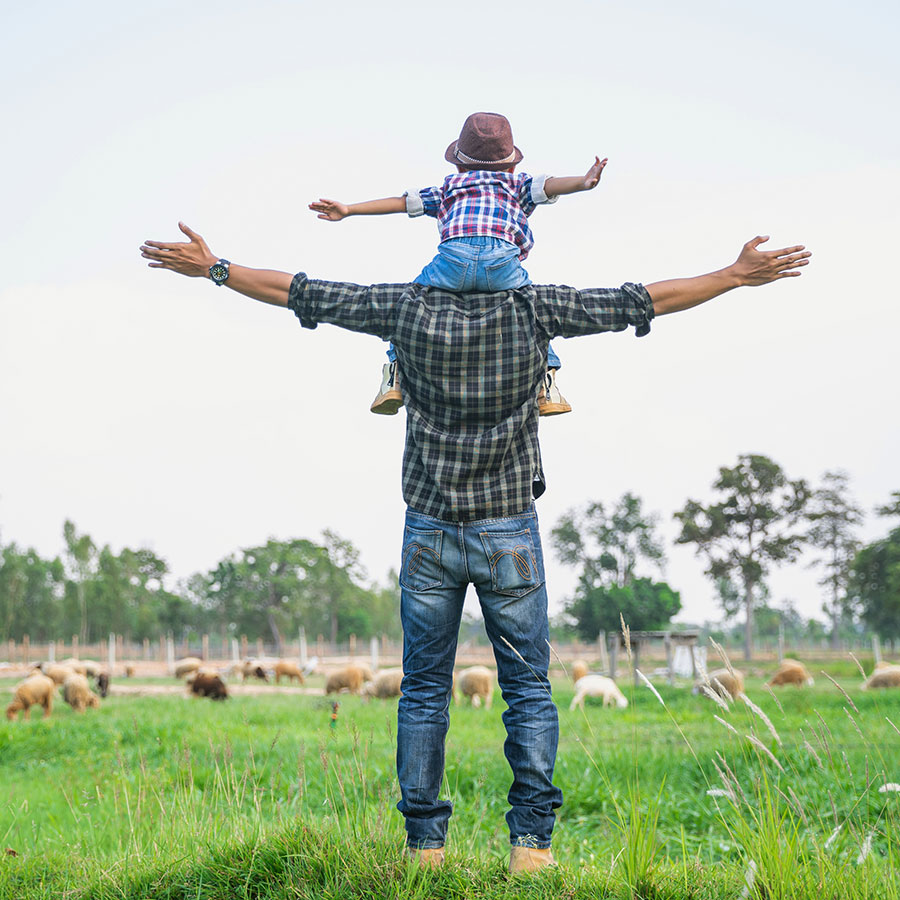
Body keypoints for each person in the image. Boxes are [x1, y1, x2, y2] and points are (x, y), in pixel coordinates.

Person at [140, 224, 809, 873]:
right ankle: (532, 850)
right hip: (508, 530)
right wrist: (733, 275)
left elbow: (304, 292)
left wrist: (217, 268)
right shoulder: (535, 308)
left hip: (430, 528)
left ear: (444, 242)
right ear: (511, 243)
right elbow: (642, 300)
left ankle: (425, 853)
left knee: (424, 695)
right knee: (529, 694)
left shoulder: (403, 307)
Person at [309, 112, 607, 416]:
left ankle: (395, 374)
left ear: (458, 163)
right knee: (534, 311)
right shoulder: (517, 184)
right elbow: (553, 186)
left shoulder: (449, 187)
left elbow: (400, 203)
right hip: (501, 264)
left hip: (453, 261)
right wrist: (585, 182)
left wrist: (349, 209)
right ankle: (547, 384)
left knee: (408, 304)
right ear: (512, 163)